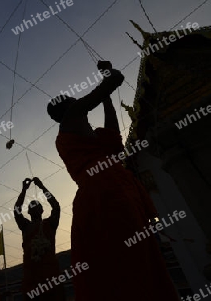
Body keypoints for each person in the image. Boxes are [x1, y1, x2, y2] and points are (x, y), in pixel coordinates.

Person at [46, 61, 180, 301]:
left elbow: (114, 139)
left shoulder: (88, 137)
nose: (75, 100)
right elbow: (115, 80)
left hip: (112, 189)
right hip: (107, 192)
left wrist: (107, 97)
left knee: (136, 258)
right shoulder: (71, 119)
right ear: (67, 108)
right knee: (133, 259)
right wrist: (107, 72)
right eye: (71, 99)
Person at [14, 177, 65, 300]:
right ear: (29, 212)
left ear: (42, 210)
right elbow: (16, 211)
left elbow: (56, 206)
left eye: (36, 205)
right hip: (32, 283)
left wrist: (42, 187)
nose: (34, 207)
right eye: (32, 206)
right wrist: (24, 191)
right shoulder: (26, 227)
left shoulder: (49, 224)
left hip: (51, 280)